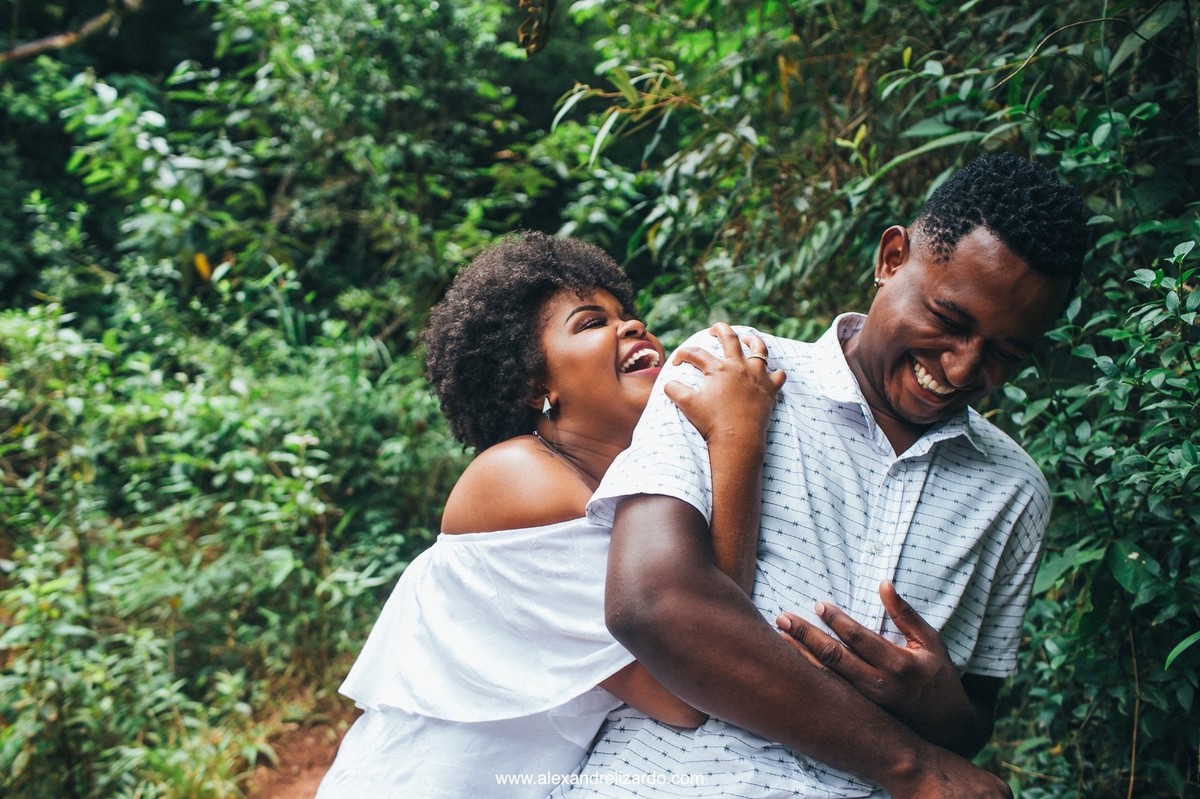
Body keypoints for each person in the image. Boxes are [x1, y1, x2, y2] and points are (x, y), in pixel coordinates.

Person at [555, 152, 1091, 799]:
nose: (959, 369)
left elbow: (970, 723)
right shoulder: (731, 368)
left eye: (1006, 353)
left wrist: (937, 703)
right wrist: (909, 764)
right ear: (892, 258)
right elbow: (651, 604)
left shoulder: (1013, 490)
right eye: (950, 321)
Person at [314, 231, 786, 798]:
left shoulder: (627, 481)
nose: (632, 326)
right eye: (591, 323)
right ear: (536, 383)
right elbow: (695, 687)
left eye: (627, 314)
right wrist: (737, 438)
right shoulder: (518, 479)